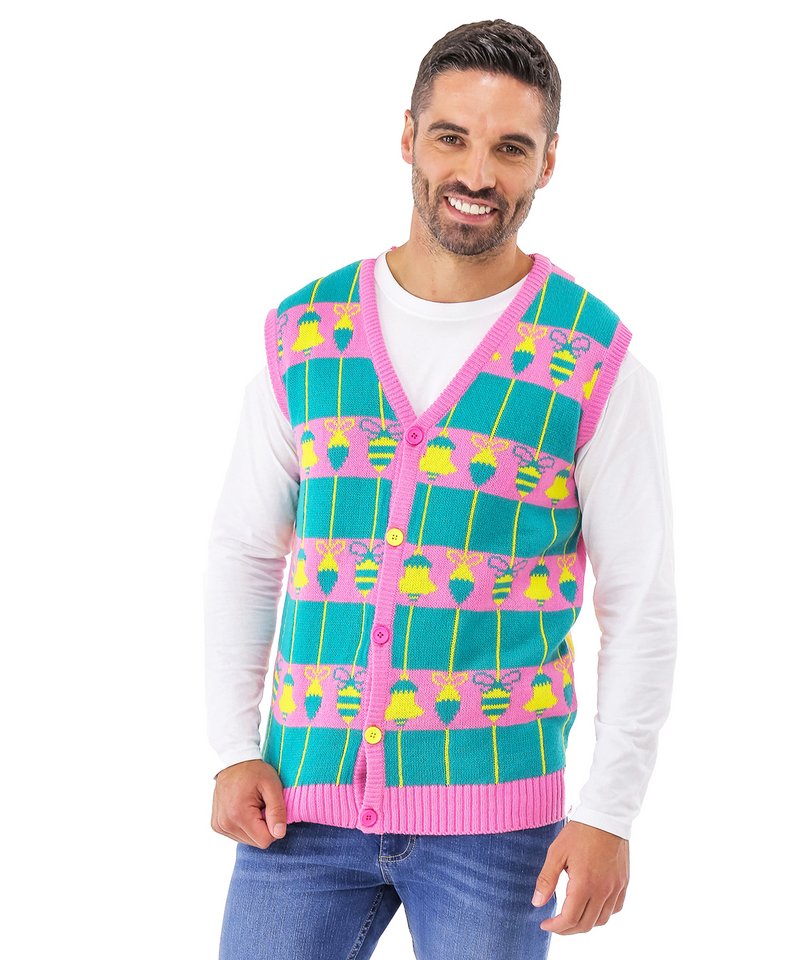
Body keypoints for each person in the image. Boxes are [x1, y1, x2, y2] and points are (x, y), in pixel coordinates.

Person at [204, 18, 677, 960]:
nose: (476, 174)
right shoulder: (307, 334)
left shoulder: (594, 362)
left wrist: (609, 812)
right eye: (452, 137)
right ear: (408, 136)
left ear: (548, 163)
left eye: (511, 148)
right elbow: (246, 554)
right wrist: (233, 746)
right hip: (298, 806)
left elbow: (641, 602)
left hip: (500, 827)